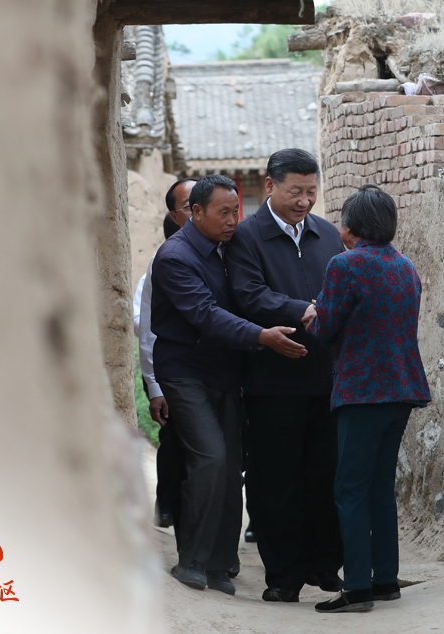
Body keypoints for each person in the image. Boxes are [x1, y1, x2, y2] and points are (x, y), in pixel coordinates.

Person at [150, 174, 307, 596]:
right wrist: (261, 336)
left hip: (226, 370)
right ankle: (192, 560)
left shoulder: (228, 248)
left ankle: (220, 564)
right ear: (195, 212)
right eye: (223, 213)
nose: (232, 221)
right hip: (185, 371)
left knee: (231, 464)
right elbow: (205, 314)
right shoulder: (174, 257)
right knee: (211, 458)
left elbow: (250, 295)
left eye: (236, 211)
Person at [227, 148, 345, 603]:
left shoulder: (327, 234)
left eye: (311, 191)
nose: (304, 201)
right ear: (270, 186)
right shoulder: (246, 237)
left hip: (326, 379)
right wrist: (303, 310)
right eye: (295, 191)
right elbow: (248, 294)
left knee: (325, 475)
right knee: (275, 482)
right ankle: (283, 575)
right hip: (272, 383)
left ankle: (323, 564)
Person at [306, 184, 432, 614]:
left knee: (350, 489)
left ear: (352, 227)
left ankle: (358, 587)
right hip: (402, 388)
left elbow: (325, 329)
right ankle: (385, 579)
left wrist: (314, 313)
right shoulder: (405, 266)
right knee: (380, 487)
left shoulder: (345, 264)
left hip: (362, 391)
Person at [143, 178, 196, 531]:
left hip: (222, 375)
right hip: (178, 376)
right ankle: (170, 508)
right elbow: (147, 327)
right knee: (177, 442)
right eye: (190, 206)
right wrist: (155, 387)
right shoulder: (164, 262)